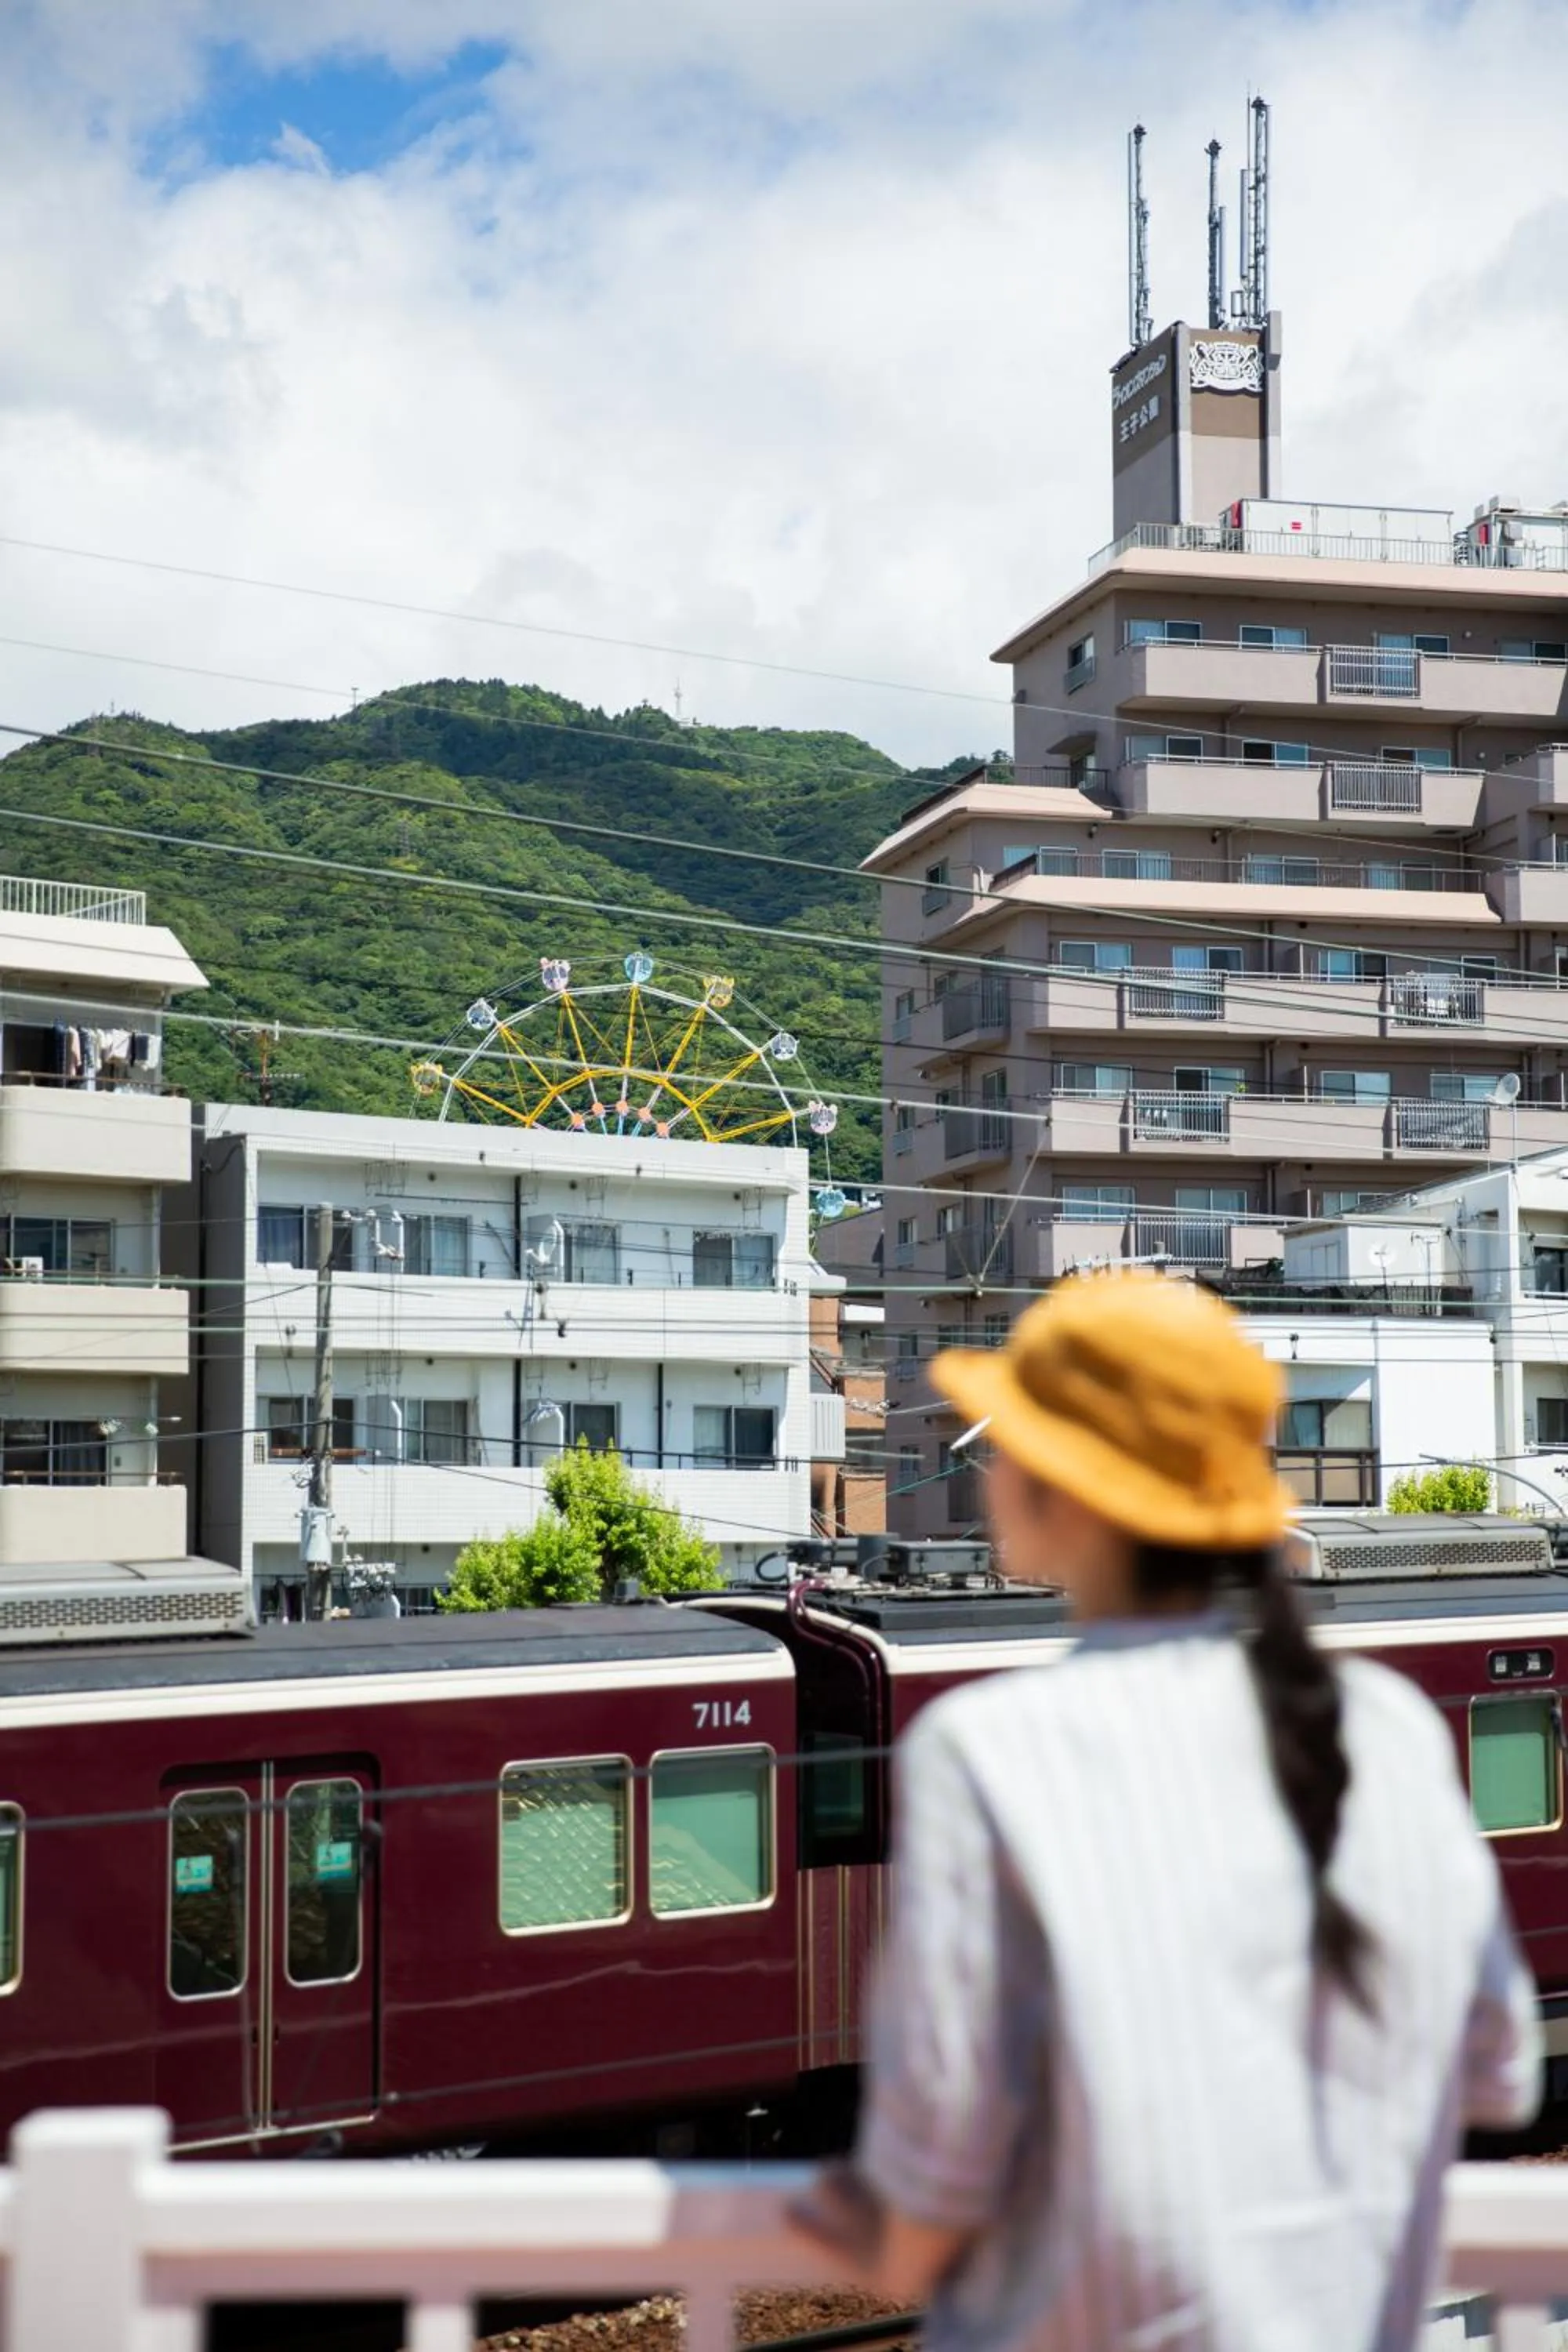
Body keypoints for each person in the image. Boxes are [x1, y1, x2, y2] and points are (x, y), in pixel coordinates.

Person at [792, 1271, 1541, 2352]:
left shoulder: (989, 1747)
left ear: (1068, 1491)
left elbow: (935, 2171)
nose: (991, 1468)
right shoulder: (1383, 1723)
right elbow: (1501, 2066)